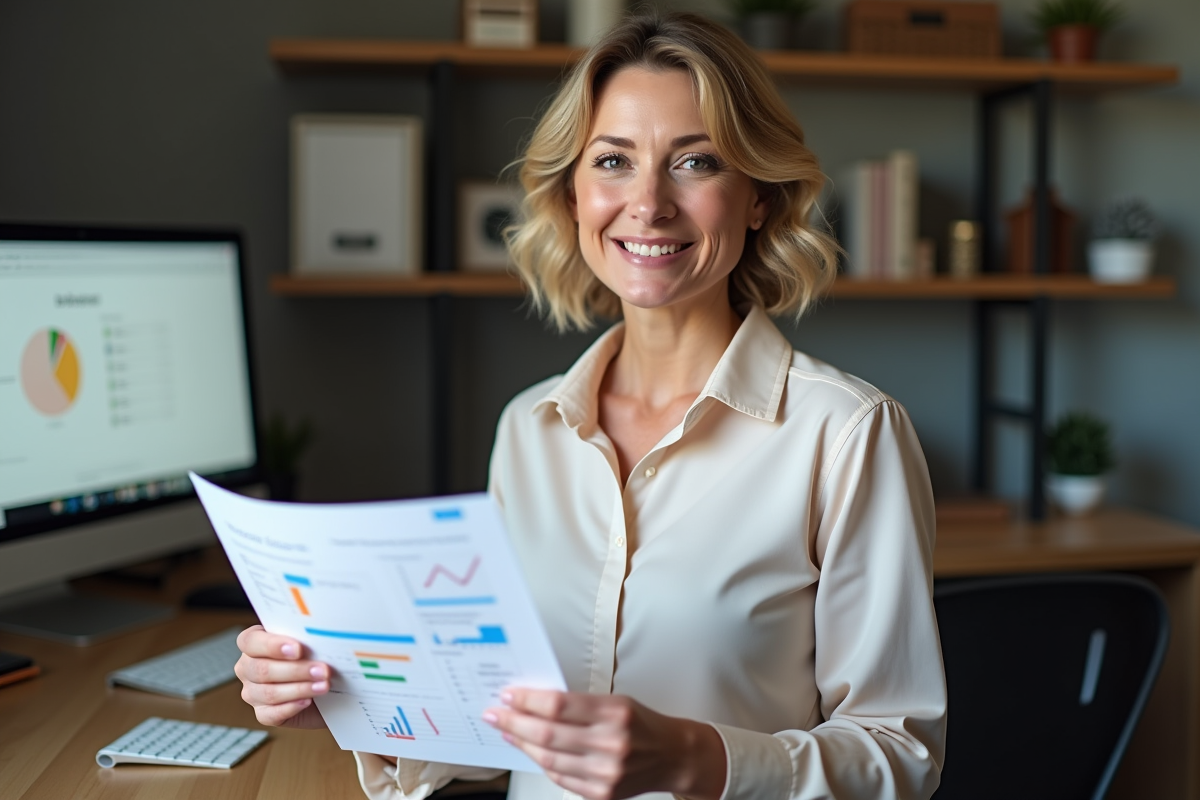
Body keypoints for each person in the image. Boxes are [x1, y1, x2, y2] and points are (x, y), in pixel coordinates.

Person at [234, 11, 947, 800]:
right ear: (573, 197)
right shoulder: (529, 429)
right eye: (613, 161)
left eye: (696, 162)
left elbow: (899, 758)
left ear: (758, 200)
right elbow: (499, 724)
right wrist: (348, 702)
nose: (648, 203)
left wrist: (693, 759)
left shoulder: (846, 435)